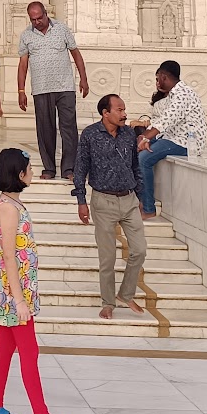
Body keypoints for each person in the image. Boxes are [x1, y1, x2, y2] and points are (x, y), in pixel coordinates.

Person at [0, 147, 70, 414]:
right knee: (29, 352)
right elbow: (9, 255)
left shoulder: (12, 203)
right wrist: (20, 300)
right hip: (14, 290)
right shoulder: (9, 208)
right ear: (19, 174)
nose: (33, 172)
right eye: (30, 168)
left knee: (5, 347)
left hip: (16, 286)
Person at [73, 94, 146, 318]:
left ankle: (125, 294)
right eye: (119, 110)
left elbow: (136, 166)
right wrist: (81, 201)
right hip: (102, 201)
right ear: (106, 113)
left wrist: (141, 197)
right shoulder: (90, 135)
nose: (124, 114)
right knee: (108, 258)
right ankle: (108, 303)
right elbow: (80, 169)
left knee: (139, 250)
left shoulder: (128, 135)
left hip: (129, 199)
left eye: (124, 109)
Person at [16, 2, 88, 182]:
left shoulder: (62, 29)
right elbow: (23, 64)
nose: (37, 22)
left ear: (46, 14)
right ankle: (49, 168)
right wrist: (21, 90)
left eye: (40, 18)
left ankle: (69, 168)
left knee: (69, 128)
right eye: (33, 19)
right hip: (41, 89)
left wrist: (83, 79)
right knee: (45, 129)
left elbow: (76, 54)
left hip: (65, 87)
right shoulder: (26, 36)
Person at [137, 60, 207, 219]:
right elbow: (158, 122)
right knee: (137, 153)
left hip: (186, 142)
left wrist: (144, 137)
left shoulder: (183, 93)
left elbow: (167, 120)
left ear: (163, 76)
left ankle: (148, 208)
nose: (157, 83)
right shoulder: (172, 95)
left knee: (143, 158)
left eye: (157, 78)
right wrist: (145, 139)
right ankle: (140, 200)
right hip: (171, 138)